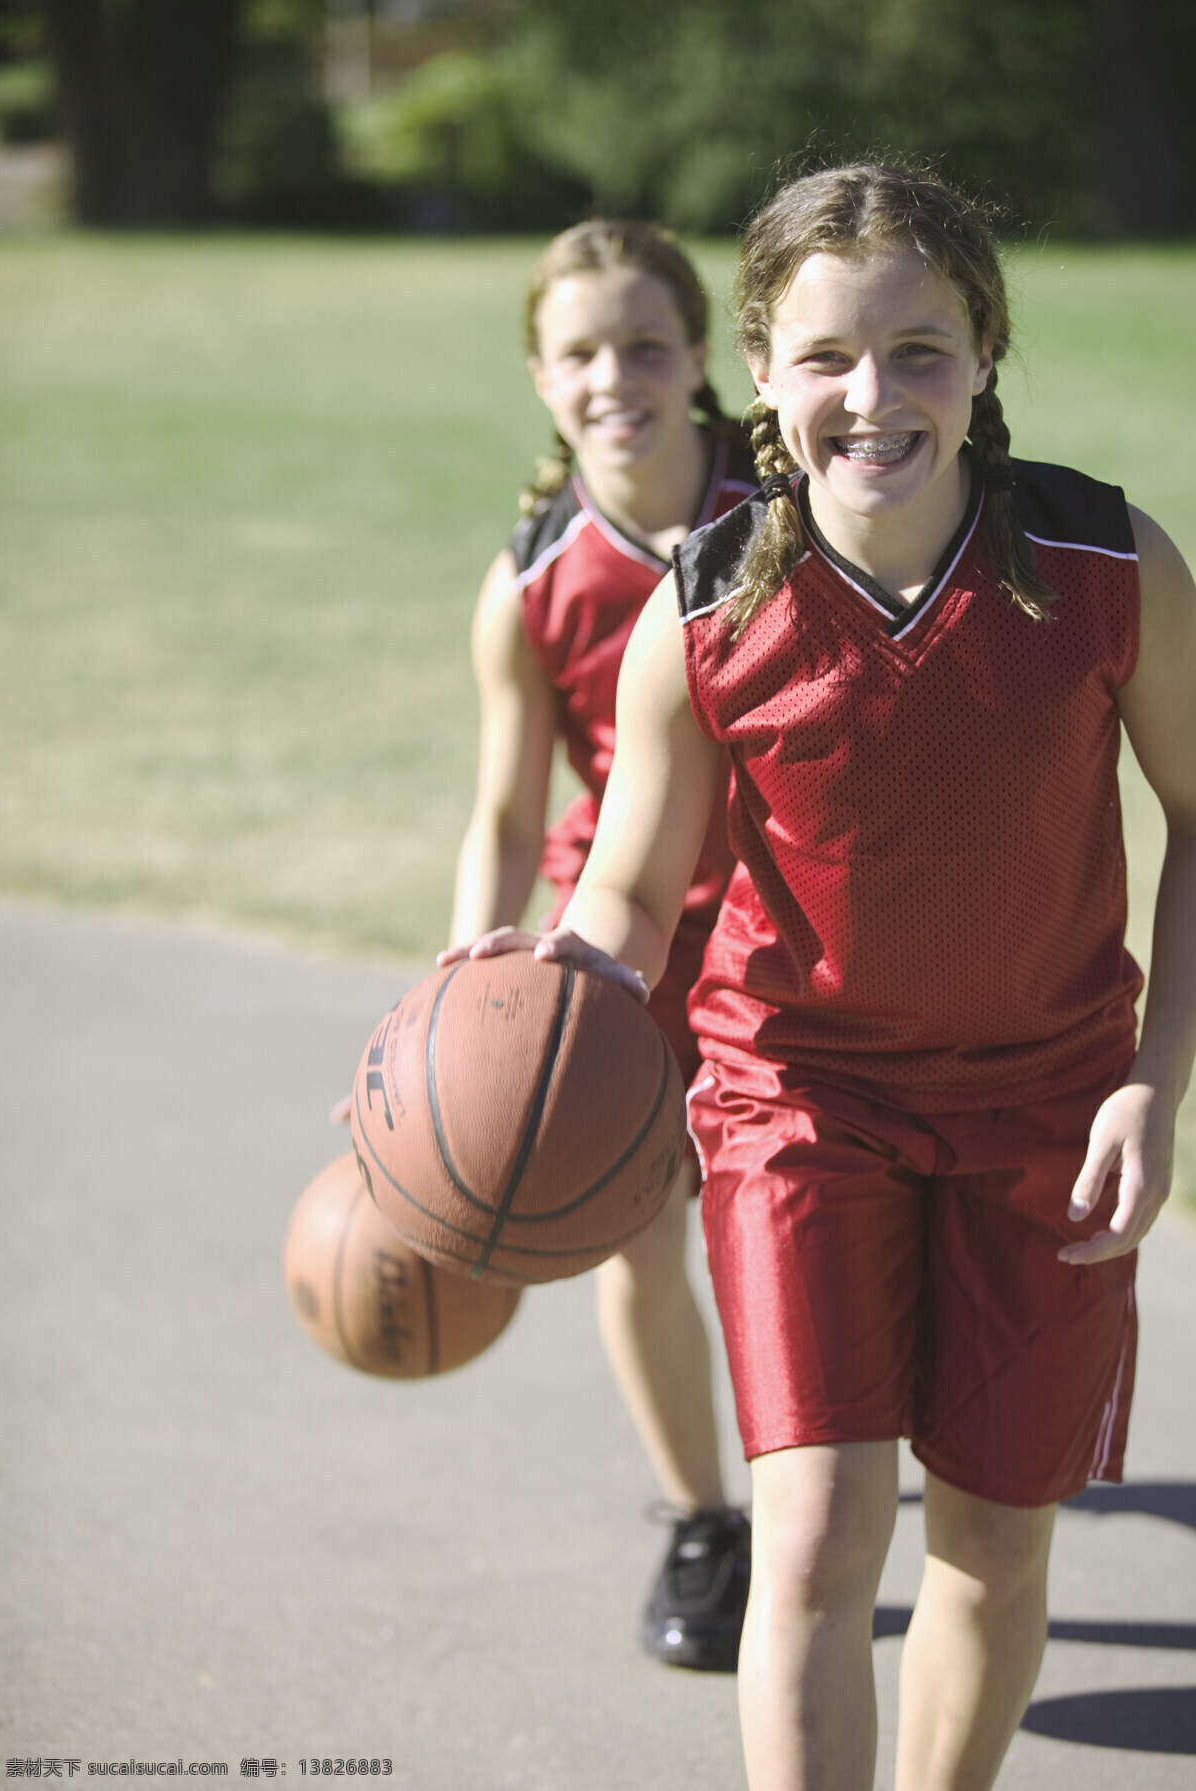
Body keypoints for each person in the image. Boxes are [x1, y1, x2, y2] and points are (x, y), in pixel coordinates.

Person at [443, 163, 1196, 1789]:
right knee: (818, 1541)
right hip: (798, 1102)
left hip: (1049, 1111)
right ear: (766, 385)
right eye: (828, 358)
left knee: (997, 1543)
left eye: (922, 349)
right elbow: (634, 889)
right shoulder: (703, 609)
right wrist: (550, 983)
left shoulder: (1108, 561)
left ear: (989, 352)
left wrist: (1154, 1078)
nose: (876, 396)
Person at [448, 219, 757, 1670]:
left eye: (646, 343)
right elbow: (509, 813)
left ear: (703, 358)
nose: (615, 374)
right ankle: (708, 1523)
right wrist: (471, 984)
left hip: (791, 921)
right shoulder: (531, 580)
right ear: (538, 375)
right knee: (638, 1240)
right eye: (581, 350)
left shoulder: (796, 502)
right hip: (616, 936)